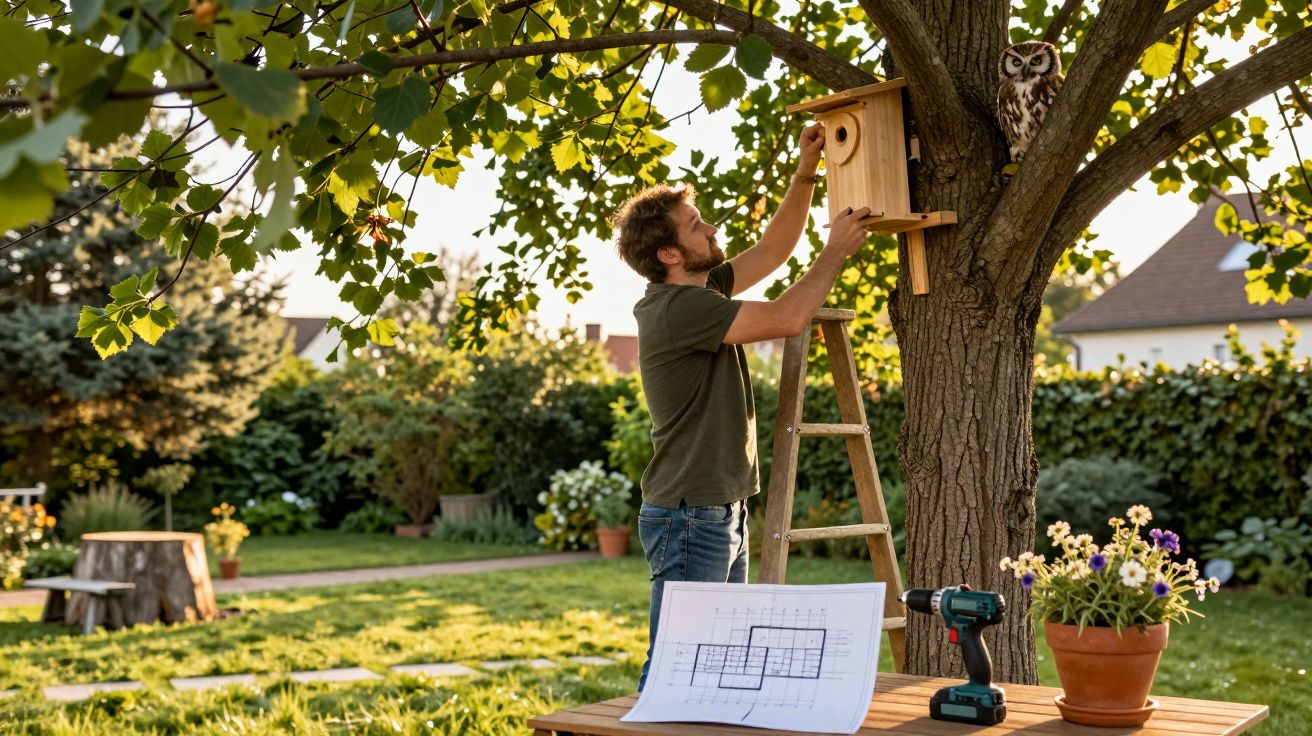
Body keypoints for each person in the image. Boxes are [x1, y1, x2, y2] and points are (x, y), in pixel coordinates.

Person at [611, 122, 873, 690]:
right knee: (677, 663)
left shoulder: (701, 290)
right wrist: (835, 255)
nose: (710, 228)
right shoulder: (679, 309)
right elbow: (785, 316)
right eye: (695, 226)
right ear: (668, 254)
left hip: (719, 506)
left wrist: (807, 170)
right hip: (690, 514)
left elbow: (775, 249)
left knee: (717, 658)